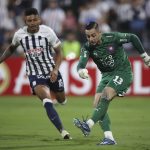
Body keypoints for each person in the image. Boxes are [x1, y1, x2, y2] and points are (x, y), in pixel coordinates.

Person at [73, 21, 150, 145]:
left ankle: (88, 124)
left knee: (106, 94)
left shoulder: (113, 38)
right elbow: (81, 64)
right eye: (88, 36)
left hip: (123, 72)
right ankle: (109, 138)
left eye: (93, 35)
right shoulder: (87, 47)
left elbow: (133, 37)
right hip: (106, 76)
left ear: (99, 33)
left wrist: (145, 56)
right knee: (97, 103)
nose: (90, 39)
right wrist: (81, 71)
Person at [0, 8, 72, 140]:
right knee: (46, 100)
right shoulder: (19, 34)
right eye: (29, 21)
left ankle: (61, 99)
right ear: (25, 21)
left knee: (62, 99)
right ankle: (63, 131)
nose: (32, 23)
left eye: (34, 20)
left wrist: (55, 70)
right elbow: (11, 48)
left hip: (51, 71)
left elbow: (59, 53)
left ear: (39, 19)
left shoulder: (48, 32)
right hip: (34, 74)